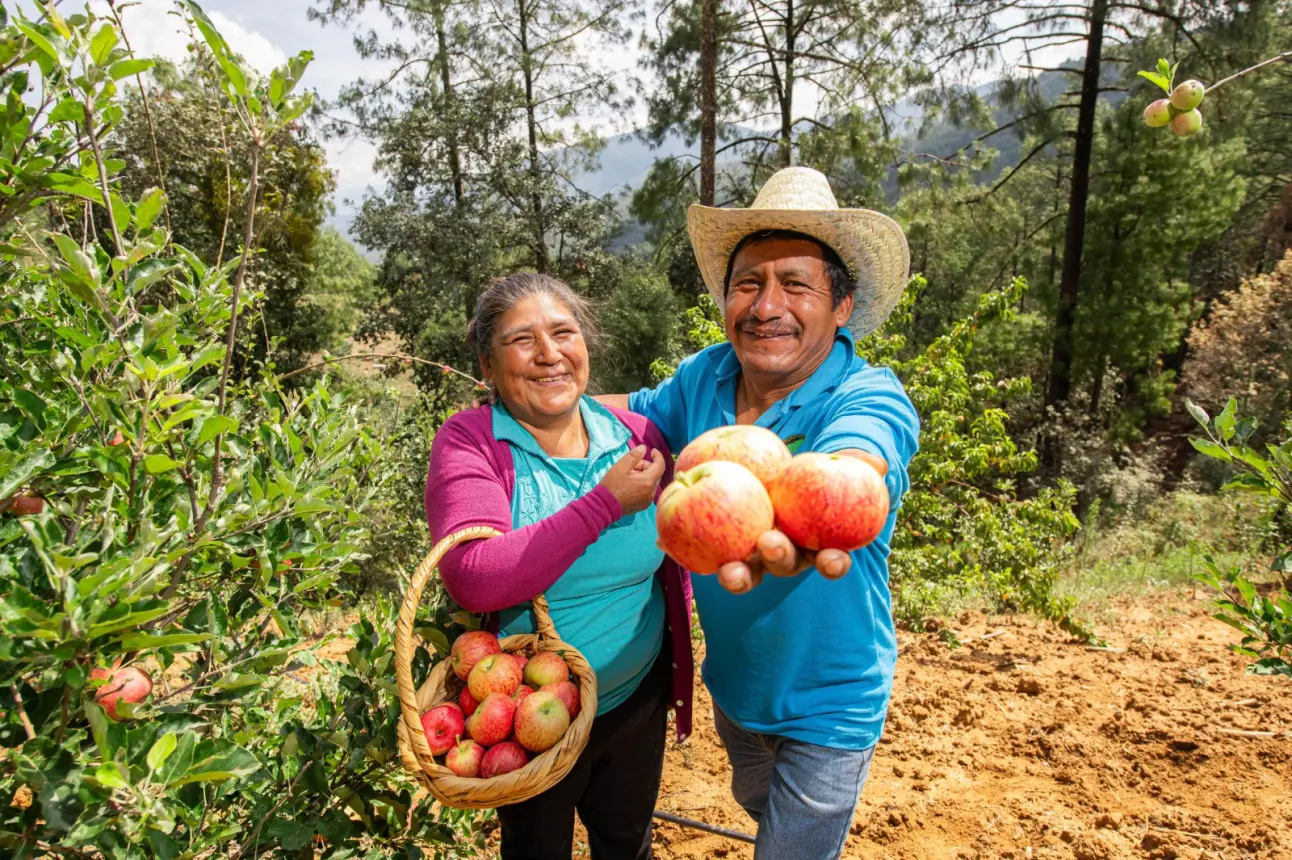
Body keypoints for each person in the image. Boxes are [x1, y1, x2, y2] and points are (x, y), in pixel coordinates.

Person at [600, 166, 921, 859]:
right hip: (738, 690)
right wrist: (550, 403)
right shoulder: (705, 377)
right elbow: (636, 411)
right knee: (760, 806)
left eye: (795, 284)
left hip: (831, 701)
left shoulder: (866, 396)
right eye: (748, 282)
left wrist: (820, 513)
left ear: (842, 306)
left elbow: (860, 462)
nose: (766, 304)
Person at [425, 272, 694, 860]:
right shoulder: (471, 443)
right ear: (488, 366)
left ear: (586, 345)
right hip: (524, 715)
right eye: (522, 340)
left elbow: (678, 550)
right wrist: (603, 504)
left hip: (635, 692)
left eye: (564, 333)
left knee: (627, 842)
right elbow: (474, 572)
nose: (549, 354)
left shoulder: (640, 438)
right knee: (537, 849)